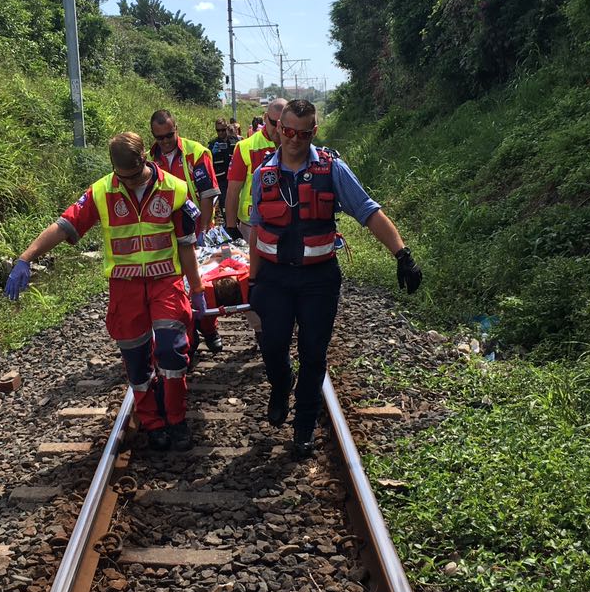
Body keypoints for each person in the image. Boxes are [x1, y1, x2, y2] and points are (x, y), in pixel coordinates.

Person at [4, 132, 206, 452]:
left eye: (133, 176)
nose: (127, 183)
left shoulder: (174, 189)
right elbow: (64, 226)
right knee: (136, 361)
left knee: (171, 351)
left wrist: (196, 290)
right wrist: (26, 257)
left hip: (165, 282)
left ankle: (177, 419)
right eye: (121, 177)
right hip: (125, 289)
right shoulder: (102, 191)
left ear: (144, 160)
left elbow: (186, 246)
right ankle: (153, 423)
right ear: (114, 168)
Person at [248, 99, 423, 459]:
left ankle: (304, 427)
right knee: (272, 346)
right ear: (278, 129)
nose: (295, 139)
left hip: (318, 280)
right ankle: (281, 386)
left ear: (314, 132)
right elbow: (257, 231)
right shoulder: (262, 175)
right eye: (288, 131)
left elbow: (368, 211)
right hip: (274, 279)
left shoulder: (332, 169)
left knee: (314, 354)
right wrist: (251, 283)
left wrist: (402, 255)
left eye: (304, 132)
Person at [150, 109, 224, 354]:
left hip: (196, 232)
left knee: (201, 285)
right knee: (177, 288)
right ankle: (188, 339)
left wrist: (203, 229)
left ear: (176, 129)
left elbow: (207, 193)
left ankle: (210, 328)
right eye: (159, 138)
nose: (165, 142)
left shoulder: (196, 153)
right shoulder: (150, 160)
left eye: (169, 135)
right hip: (167, 235)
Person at [224, 97, 284, 242]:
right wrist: (231, 227)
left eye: (282, 125)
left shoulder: (295, 144)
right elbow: (233, 191)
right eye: (273, 123)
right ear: (264, 118)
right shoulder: (246, 147)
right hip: (252, 225)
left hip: (286, 223)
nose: (277, 128)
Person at [208, 118, 240, 215]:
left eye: (223, 130)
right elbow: (207, 162)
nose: (221, 133)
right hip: (221, 180)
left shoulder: (235, 141)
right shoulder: (213, 144)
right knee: (225, 206)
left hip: (235, 178)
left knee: (237, 204)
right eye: (218, 130)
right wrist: (212, 153)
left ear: (227, 128)